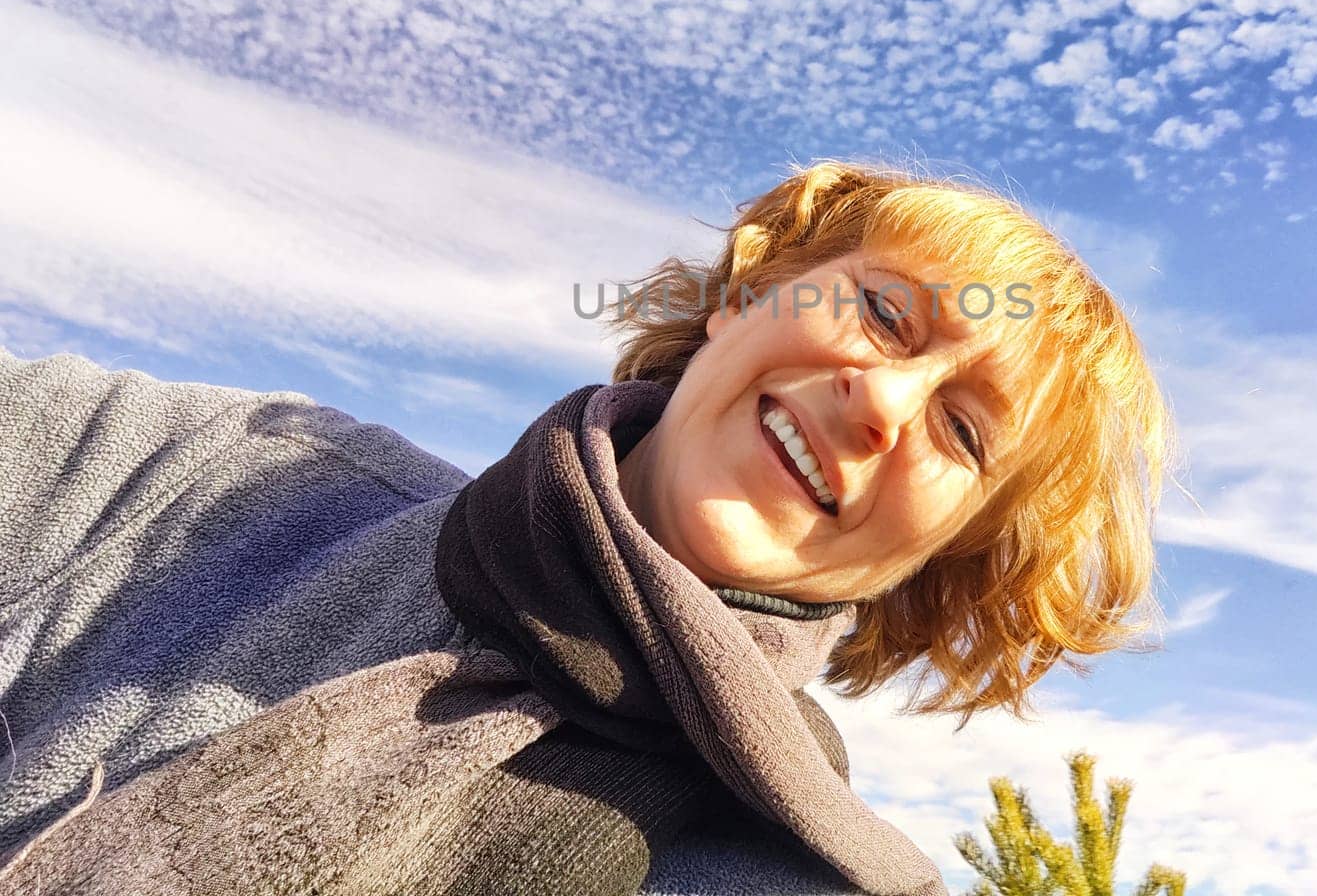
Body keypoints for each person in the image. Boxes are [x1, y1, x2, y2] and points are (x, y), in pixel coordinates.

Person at [0, 160, 1171, 895]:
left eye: (965, 435)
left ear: (940, 559)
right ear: (745, 300)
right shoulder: (197, 470)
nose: (882, 404)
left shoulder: (799, 877)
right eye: (879, 311)